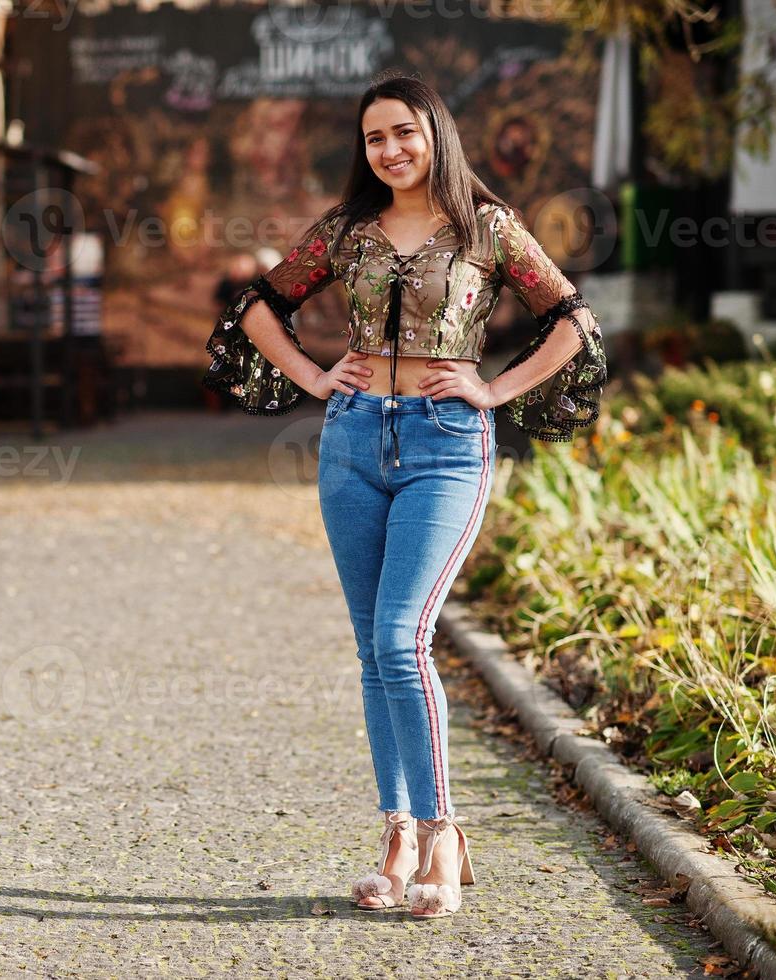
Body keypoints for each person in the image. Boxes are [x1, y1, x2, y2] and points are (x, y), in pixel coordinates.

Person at [201, 72, 607, 918]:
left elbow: (572, 319)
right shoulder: (349, 231)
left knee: (400, 637)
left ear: (436, 135)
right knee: (371, 650)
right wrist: (315, 375)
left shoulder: (486, 230)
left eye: (403, 134)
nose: (388, 150)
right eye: (374, 138)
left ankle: (441, 832)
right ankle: (396, 834)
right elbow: (256, 307)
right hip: (352, 441)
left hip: (444, 447)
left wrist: (494, 391)